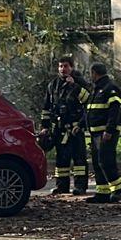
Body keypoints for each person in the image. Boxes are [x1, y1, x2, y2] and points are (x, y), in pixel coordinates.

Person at [40, 56, 88, 196]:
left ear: (72, 67)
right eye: (61, 66)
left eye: (66, 66)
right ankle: (62, 186)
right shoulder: (53, 85)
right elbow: (46, 108)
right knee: (61, 159)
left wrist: (75, 86)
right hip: (59, 128)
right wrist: (45, 126)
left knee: (79, 159)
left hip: (75, 128)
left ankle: (80, 187)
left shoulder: (79, 83)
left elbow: (87, 101)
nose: (63, 69)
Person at [83, 62, 121, 203]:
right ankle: (103, 193)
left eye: (91, 74)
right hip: (95, 134)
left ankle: (118, 191)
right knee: (97, 162)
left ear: (94, 73)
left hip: (105, 134)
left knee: (106, 161)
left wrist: (109, 130)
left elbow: (115, 111)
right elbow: (90, 111)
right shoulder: (97, 89)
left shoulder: (110, 89)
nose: (91, 76)